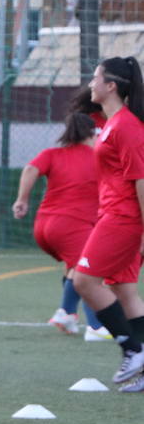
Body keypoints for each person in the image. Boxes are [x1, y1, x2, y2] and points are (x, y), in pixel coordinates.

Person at [69, 57, 144, 390]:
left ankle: (133, 349)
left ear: (111, 85)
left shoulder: (126, 126)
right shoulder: (113, 122)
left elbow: (141, 180)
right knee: (124, 291)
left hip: (122, 218)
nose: (90, 83)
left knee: (83, 281)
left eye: (95, 78)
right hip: (114, 214)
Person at [12, 110, 101, 335]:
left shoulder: (53, 153)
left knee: (75, 267)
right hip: (72, 226)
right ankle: (96, 327)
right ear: (92, 133)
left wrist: (22, 200)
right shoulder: (98, 157)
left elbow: (31, 169)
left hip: (43, 227)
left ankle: (67, 313)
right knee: (90, 271)